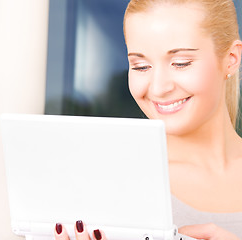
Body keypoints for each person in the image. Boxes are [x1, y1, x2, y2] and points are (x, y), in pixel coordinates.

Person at [54, 0, 242, 239]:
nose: (159, 87)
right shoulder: (105, 186)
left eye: (180, 63)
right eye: (141, 67)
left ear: (231, 58)